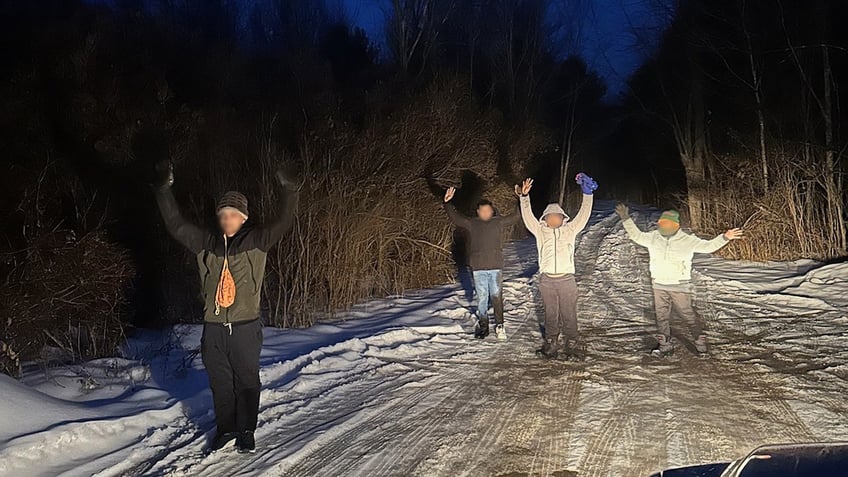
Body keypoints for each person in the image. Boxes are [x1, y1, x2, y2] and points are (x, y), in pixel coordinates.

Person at [153, 161, 296, 453]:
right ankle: (226, 428)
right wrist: (163, 190)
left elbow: (284, 222)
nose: (227, 219)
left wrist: (290, 189)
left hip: (245, 327)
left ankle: (246, 430)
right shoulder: (206, 243)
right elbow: (176, 225)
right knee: (220, 383)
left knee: (246, 380)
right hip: (214, 328)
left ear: (243, 218)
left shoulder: (256, 241)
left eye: (233, 214)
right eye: (223, 214)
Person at [616, 204, 743, 356]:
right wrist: (625, 218)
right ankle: (665, 346)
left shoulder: (687, 240)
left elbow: (708, 247)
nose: (663, 226)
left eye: (667, 223)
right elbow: (636, 235)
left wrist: (724, 237)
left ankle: (700, 344)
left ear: (676, 225)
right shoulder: (653, 238)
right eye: (661, 223)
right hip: (658, 285)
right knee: (661, 317)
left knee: (688, 315)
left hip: (679, 286)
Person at [517, 173, 597, 359]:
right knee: (550, 313)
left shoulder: (570, 230)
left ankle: (572, 342)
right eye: (550, 217)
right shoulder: (540, 231)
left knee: (568, 312)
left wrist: (588, 194)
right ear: (545, 219)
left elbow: (584, 215)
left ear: (563, 218)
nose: (553, 219)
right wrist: (524, 197)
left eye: (557, 216)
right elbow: (528, 217)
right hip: (546, 281)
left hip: (567, 280)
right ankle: (551, 343)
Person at [443, 186, 520, 340]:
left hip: (495, 267)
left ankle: (500, 325)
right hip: (478, 267)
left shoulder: (498, 222)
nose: (485, 213)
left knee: (496, 296)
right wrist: (447, 203)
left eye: (488, 210)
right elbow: (456, 218)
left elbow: (517, 216)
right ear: (478, 212)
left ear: (492, 211)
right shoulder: (472, 223)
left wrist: (521, 198)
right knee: (482, 297)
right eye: (482, 210)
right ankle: (483, 325)